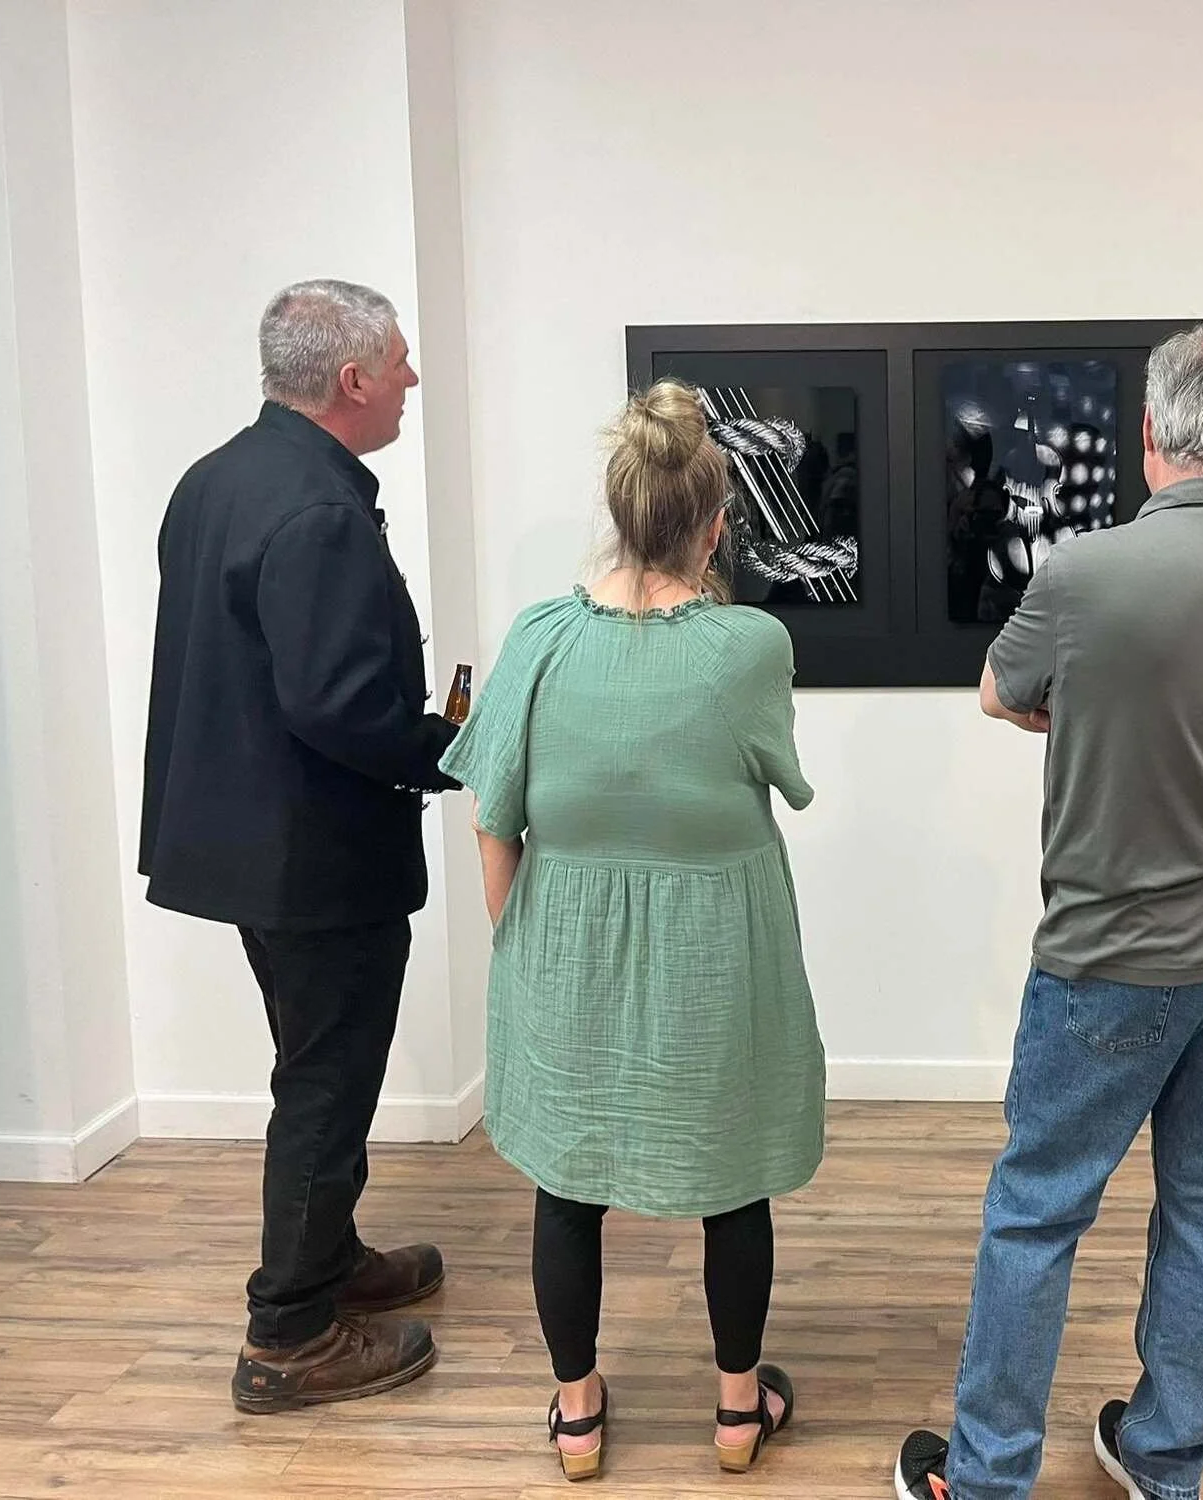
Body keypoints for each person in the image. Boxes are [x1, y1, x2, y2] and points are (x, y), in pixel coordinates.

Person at [897, 324, 1203, 1500]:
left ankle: (987, 1479)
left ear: (1150, 434)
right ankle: (1163, 1462)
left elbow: (999, 693)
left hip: (1111, 959)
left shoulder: (1082, 574)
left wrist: (1081, 715)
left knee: (1037, 1215)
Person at [439, 379, 824, 1482]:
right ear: (714, 527)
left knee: (567, 1186)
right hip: (716, 956)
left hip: (570, 950)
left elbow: (490, 818)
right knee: (731, 1180)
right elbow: (780, 777)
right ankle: (738, 1412)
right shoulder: (745, 646)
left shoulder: (540, 637)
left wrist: (524, 948)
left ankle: (575, 1416)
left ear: (616, 512)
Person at [139, 279, 458, 1411]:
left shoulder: (217, 479)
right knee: (326, 1079)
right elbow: (337, 706)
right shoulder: (319, 508)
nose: (413, 383)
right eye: (403, 365)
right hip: (314, 853)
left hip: (246, 843)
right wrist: (449, 750)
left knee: (312, 1063)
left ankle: (326, 1262)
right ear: (353, 379)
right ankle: (289, 1334)